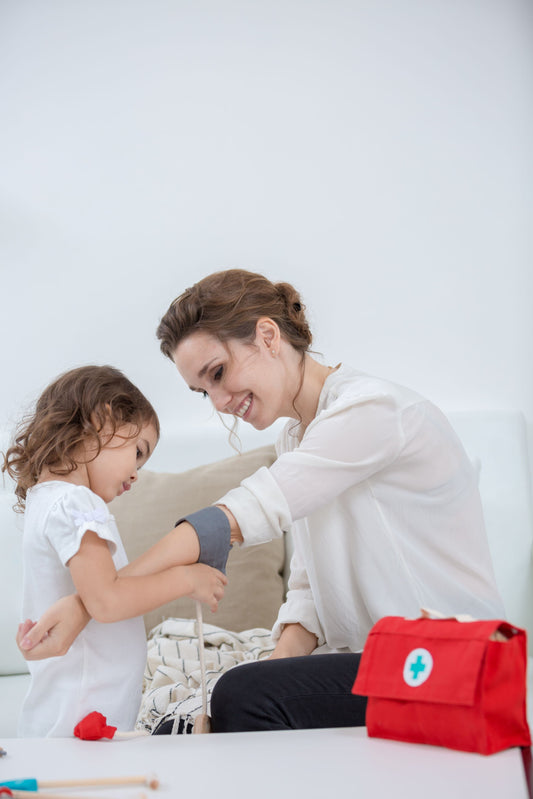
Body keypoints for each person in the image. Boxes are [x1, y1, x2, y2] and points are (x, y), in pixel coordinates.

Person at [16, 271, 505, 733]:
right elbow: (310, 593)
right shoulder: (296, 440)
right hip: (380, 662)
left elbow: (245, 512)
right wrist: (271, 671)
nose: (218, 402)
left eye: (218, 372)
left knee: (241, 696)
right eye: (203, 391)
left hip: (448, 661)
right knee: (234, 692)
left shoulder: (372, 410)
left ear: (268, 336)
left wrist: (88, 604)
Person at [3, 365, 227, 737]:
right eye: (137, 452)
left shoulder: (48, 501)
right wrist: (186, 579)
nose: (136, 473)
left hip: (75, 712)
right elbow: (106, 601)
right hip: (81, 716)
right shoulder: (75, 502)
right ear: (101, 420)